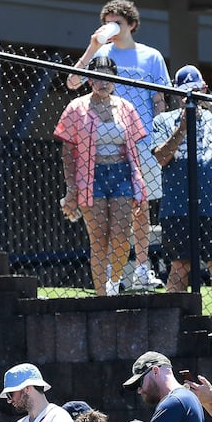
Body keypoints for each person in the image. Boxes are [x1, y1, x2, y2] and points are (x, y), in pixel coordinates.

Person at [64, 0, 168, 291]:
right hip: (104, 148)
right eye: (106, 22)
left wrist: (158, 135)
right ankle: (113, 275)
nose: (110, 28)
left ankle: (143, 269)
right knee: (107, 216)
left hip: (142, 141)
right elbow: (73, 82)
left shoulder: (151, 56)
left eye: (117, 23)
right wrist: (91, 48)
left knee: (141, 208)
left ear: (131, 24)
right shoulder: (101, 53)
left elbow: (159, 99)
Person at [56, 56, 147, 297]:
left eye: (107, 77)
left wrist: (139, 181)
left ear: (115, 80)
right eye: (97, 77)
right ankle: (101, 297)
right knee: (98, 238)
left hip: (121, 174)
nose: (102, 82)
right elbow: (67, 151)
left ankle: (114, 284)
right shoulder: (76, 107)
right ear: (89, 80)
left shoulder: (126, 108)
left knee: (120, 235)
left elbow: (134, 148)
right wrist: (71, 188)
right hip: (90, 176)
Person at [150, 65, 212, 314]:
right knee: (180, 265)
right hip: (177, 206)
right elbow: (162, 157)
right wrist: (182, 128)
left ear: (204, 88)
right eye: (185, 93)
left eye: (195, 91)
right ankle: (172, 320)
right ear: (176, 94)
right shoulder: (163, 121)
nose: (189, 98)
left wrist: (209, 104)